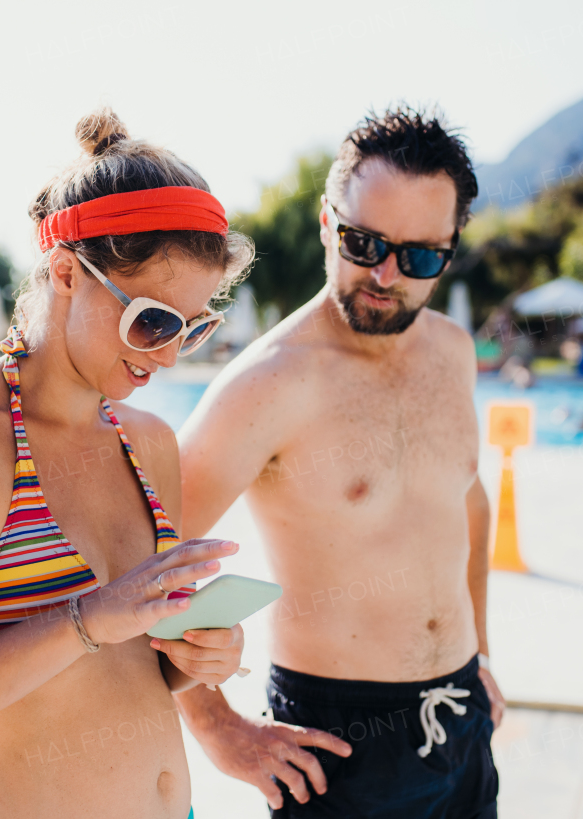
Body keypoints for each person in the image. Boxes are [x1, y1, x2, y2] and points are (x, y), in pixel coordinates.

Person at [0, 108, 255, 819]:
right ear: (67, 271)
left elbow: (124, 671)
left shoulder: (151, 443)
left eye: (192, 328)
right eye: (153, 320)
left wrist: (193, 660)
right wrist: (86, 617)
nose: (166, 355)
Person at [173, 106, 502, 818]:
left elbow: (469, 504)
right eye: (363, 242)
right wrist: (217, 727)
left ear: (450, 250)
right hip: (338, 746)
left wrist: (479, 653)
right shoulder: (268, 384)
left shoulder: (452, 353)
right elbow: (142, 549)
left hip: (464, 724)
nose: (385, 274)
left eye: (418, 257)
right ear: (328, 223)